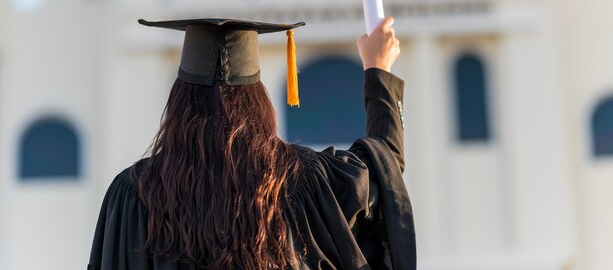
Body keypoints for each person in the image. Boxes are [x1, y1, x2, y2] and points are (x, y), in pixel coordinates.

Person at [88, 16, 416, 270]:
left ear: (178, 103)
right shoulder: (302, 180)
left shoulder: (133, 193)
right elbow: (383, 167)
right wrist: (378, 69)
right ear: (258, 101)